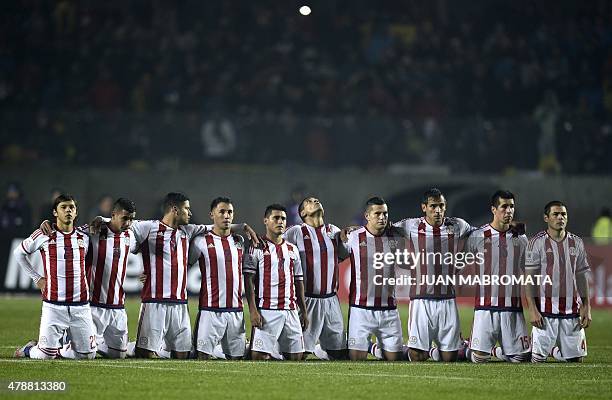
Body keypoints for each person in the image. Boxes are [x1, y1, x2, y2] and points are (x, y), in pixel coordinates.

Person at [392, 188, 472, 362]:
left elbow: (480, 233)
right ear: (424, 207)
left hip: (447, 299)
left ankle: (456, 346)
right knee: (417, 355)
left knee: (450, 358)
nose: (438, 210)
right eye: (433, 206)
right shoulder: (411, 226)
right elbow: (385, 227)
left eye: (441, 206)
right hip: (421, 300)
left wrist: (509, 228)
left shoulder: (457, 225)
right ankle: (409, 348)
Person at [14, 194, 96, 360]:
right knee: (45, 356)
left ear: (76, 212)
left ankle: (63, 345)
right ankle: (29, 349)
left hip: (80, 306)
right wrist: (37, 278)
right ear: (55, 213)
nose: (68, 210)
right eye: (63, 207)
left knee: (88, 355)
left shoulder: (84, 237)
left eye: (71, 207)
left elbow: (104, 223)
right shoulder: (44, 234)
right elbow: (19, 253)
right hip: (53, 305)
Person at [57, 198, 137, 359]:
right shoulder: (94, 231)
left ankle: (94, 342)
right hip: (93, 305)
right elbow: (69, 232)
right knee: (86, 355)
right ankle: (53, 348)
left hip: (117, 307)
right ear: (114, 215)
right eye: (125, 219)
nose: (128, 223)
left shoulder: (131, 234)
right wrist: (49, 225)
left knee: (119, 355)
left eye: (131, 219)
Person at [464, 190, 531, 362]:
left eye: (512, 207)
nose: (509, 211)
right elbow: (460, 258)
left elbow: (528, 272)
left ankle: (497, 352)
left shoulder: (521, 238)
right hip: (485, 307)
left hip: (512, 307)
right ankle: (465, 347)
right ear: (494, 209)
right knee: (479, 359)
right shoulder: (478, 236)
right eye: (504, 207)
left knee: (521, 359)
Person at [525, 201, 591, 362]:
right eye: (556, 214)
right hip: (545, 313)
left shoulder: (577, 242)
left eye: (563, 214)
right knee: (537, 361)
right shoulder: (536, 243)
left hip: (571, 312)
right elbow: (529, 280)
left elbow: (582, 277)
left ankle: (554, 351)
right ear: (546, 218)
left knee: (576, 361)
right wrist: (532, 309)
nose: (560, 217)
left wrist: (586, 306)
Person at [284, 197, 348, 360]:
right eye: (310, 201)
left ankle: (320, 350)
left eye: (317, 200)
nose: (315, 201)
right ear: (303, 213)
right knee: (298, 355)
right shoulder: (296, 232)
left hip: (331, 301)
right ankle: (275, 349)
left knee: (339, 354)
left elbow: (342, 255)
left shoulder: (333, 231)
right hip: (308, 300)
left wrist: (348, 235)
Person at [244, 204, 308, 361]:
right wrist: (253, 310)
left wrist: (304, 311)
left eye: (283, 219)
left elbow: (298, 282)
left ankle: (274, 350)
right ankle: (254, 347)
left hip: (291, 310)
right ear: (266, 221)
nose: (280, 221)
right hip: (267, 310)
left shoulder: (292, 249)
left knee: (296, 357)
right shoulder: (256, 248)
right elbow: (248, 281)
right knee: (258, 357)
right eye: (276, 218)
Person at [345, 197, 404, 361]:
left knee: (395, 360)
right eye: (377, 213)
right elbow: (335, 257)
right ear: (367, 216)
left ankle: (375, 348)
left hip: (389, 310)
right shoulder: (353, 237)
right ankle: (367, 346)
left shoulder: (397, 236)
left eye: (385, 213)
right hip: (360, 310)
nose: (382, 217)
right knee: (356, 359)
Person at [190, 197, 246, 360]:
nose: (226, 215)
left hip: (236, 310)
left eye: (230, 212)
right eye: (222, 211)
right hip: (210, 310)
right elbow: (183, 266)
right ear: (211, 215)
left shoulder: (239, 241)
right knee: (202, 357)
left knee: (237, 359)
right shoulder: (201, 241)